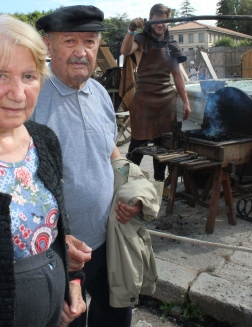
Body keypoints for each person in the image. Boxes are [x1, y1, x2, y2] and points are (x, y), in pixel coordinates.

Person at [0, 15, 86, 327]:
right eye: (0, 75)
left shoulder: (45, 141)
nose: (18, 93)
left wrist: (72, 281)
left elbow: (52, 230)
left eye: (28, 76)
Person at [32, 5, 142, 327]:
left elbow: (110, 153)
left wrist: (130, 189)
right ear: (47, 45)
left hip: (108, 240)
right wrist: (55, 243)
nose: (82, 52)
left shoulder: (99, 93)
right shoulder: (30, 98)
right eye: (69, 41)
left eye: (90, 41)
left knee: (116, 318)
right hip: (56, 251)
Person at [120, 3, 191, 192]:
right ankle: (127, 184)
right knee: (137, 145)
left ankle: (160, 187)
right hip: (143, 100)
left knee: (162, 148)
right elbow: (125, 51)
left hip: (167, 101)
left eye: (164, 20)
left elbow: (177, 76)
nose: (160, 24)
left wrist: (185, 101)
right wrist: (131, 30)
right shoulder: (141, 40)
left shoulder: (172, 46)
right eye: (157, 20)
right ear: (151, 20)